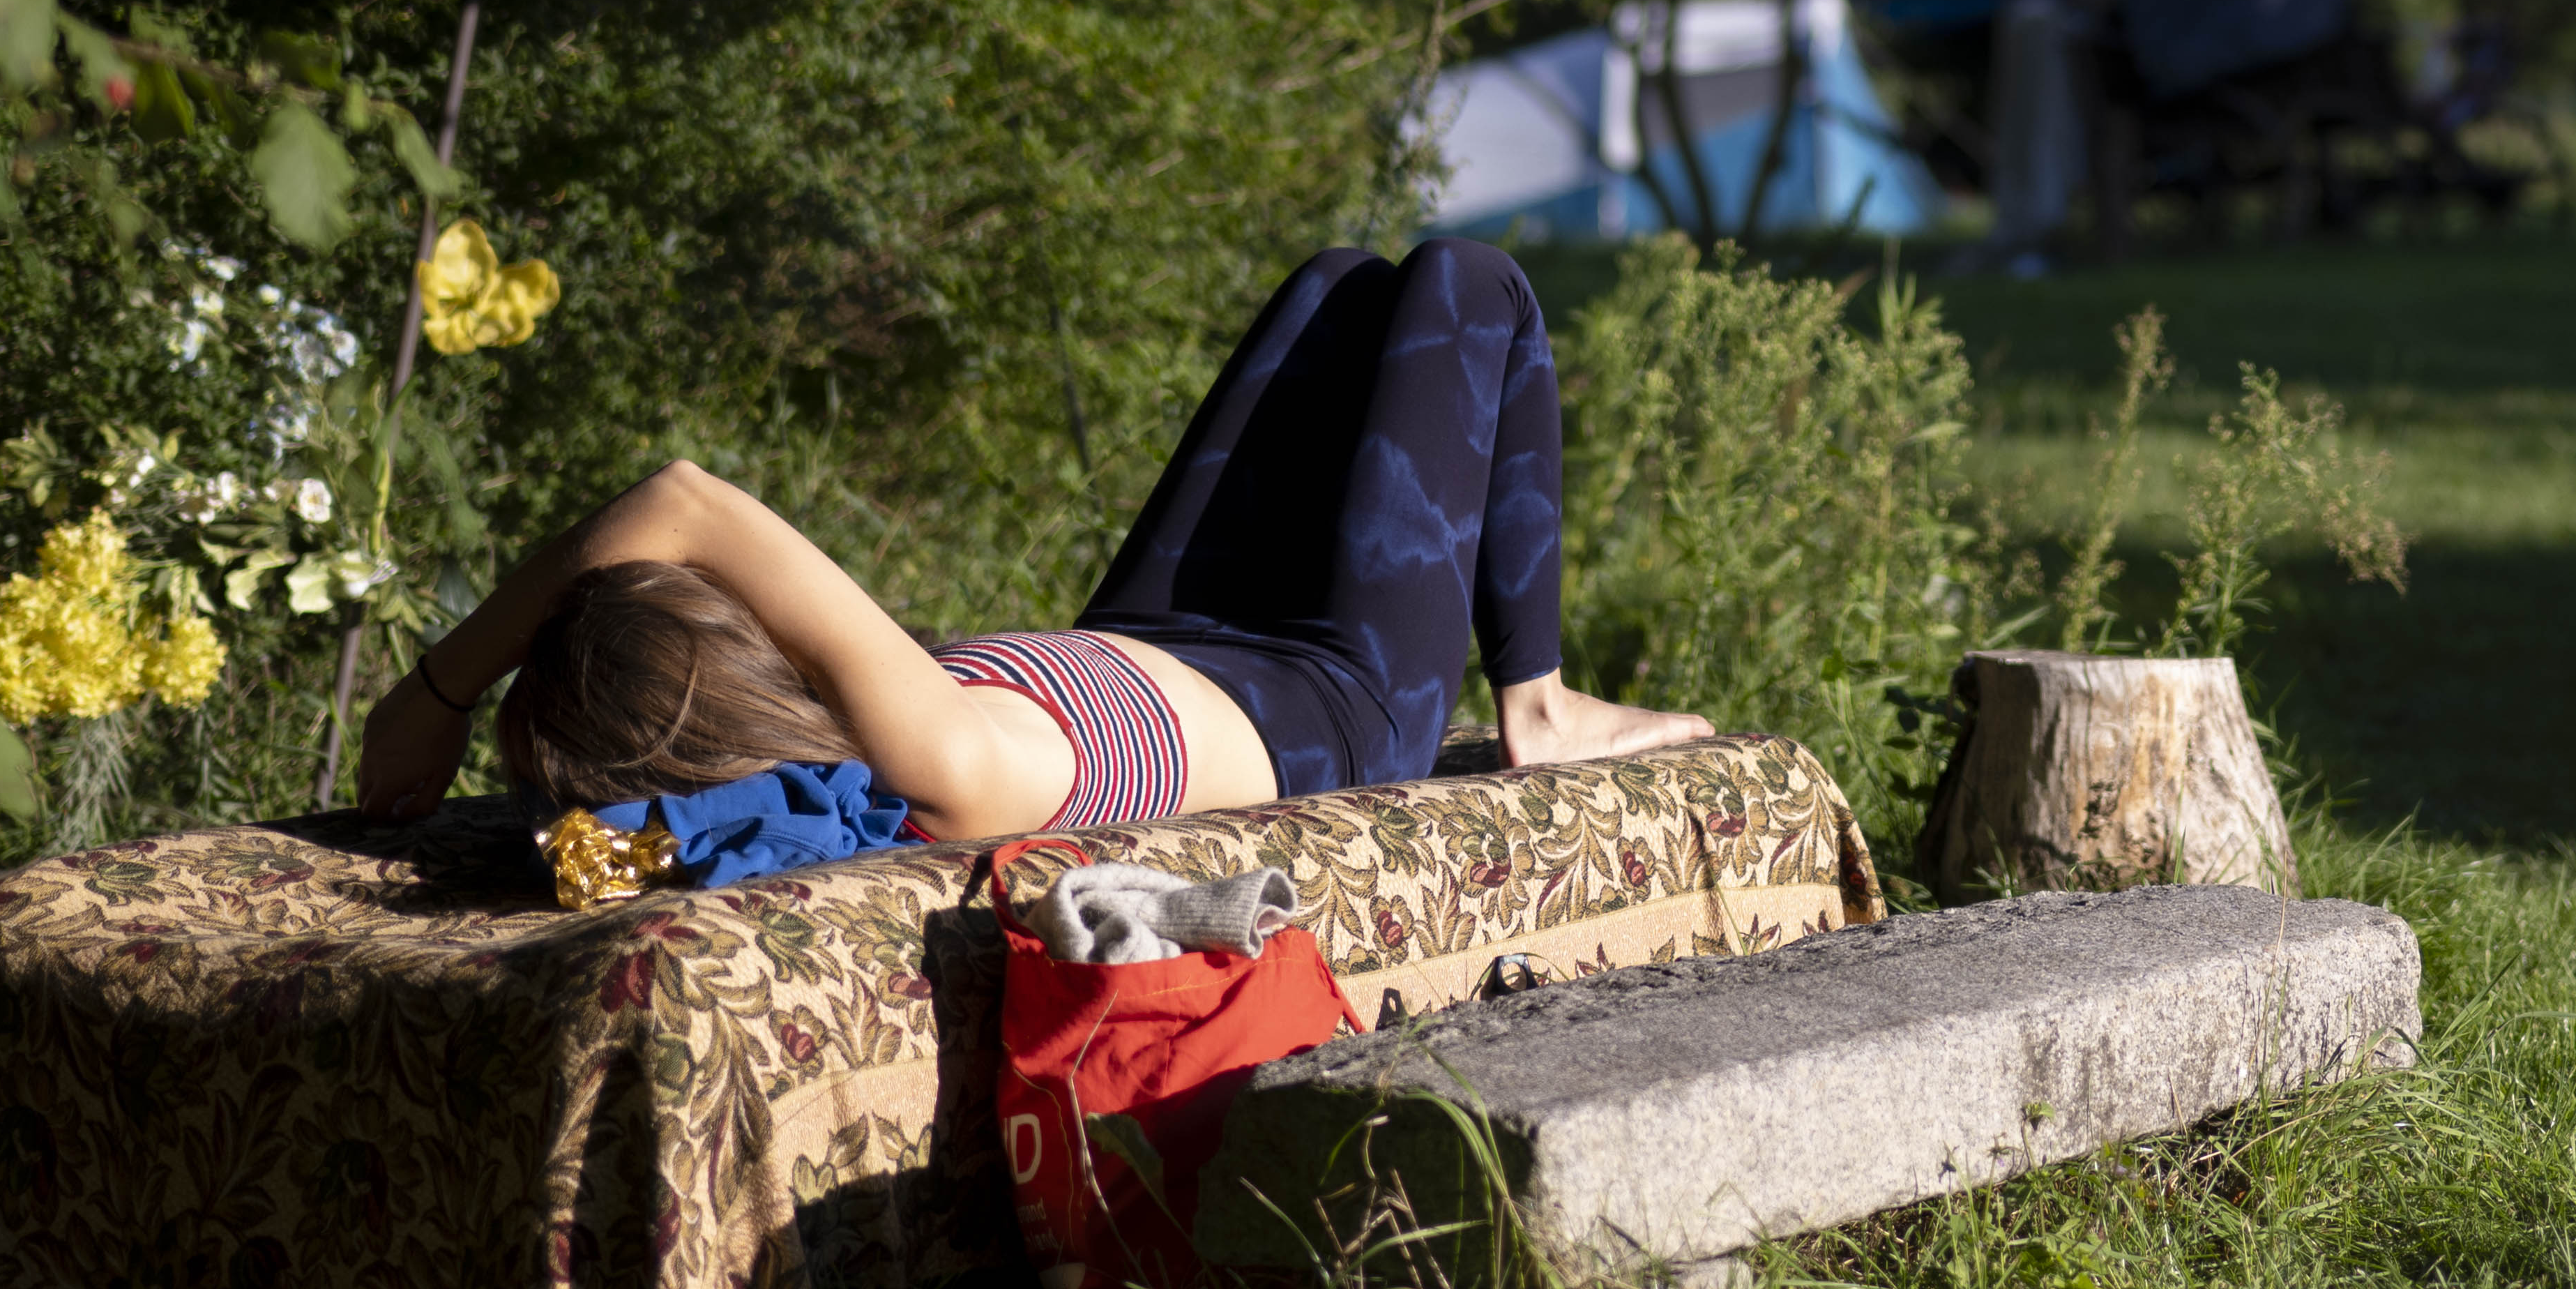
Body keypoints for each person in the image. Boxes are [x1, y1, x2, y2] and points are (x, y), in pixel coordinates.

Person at [351, 234, 1711, 843]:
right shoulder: (922, 750)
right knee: (1466, 284)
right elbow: (686, 500)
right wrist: (436, 694)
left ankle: (1532, 683)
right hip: (1333, 709)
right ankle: (1537, 699)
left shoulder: (832, 741)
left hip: (1158, 642)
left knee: (1342, 286)